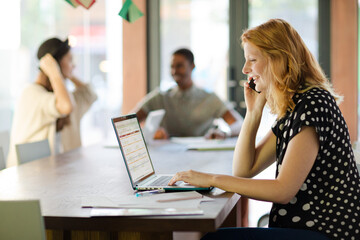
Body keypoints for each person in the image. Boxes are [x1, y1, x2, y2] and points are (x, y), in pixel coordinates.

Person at [169, 19, 360, 240]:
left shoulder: (312, 104)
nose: (245, 69)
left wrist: (212, 179)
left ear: (277, 60)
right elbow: (243, 170)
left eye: (252, 60)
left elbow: (283, 190)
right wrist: (253, 113)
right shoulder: (296, 107)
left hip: (327, 234)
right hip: (307, 229)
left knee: (213, 238)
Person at [7, 37, 97, 167]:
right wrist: (55, 73)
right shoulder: (31, 93)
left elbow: (91, 95)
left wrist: (68, 74)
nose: (74, 65)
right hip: (27, 175)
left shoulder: (62, 96)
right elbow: (66, 107)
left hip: (53, 173)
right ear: (56, 63)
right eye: (70, 60)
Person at [133, 48, 243, 139]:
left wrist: (224, 133)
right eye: (172, 67)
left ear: (192, 66)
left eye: (179, 66)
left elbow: (239, 124)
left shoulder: (209, 98)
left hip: (201, 157)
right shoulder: (160, 97)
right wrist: (148, 133)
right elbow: (127, 125)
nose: (174, 71)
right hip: (166, 157)